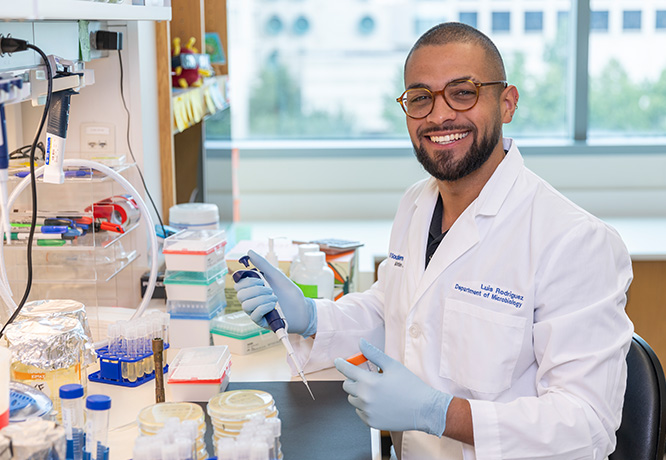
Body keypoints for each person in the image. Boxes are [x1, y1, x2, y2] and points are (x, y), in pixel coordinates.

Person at [234, 22, 633, 460]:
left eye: (463, 92)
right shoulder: (417, 204)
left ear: (507, 102)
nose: (440, 116)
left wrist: (439, 413)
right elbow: (397, 313)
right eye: (421, 98)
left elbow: (587, 426)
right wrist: (313, 318)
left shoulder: (575, 242)